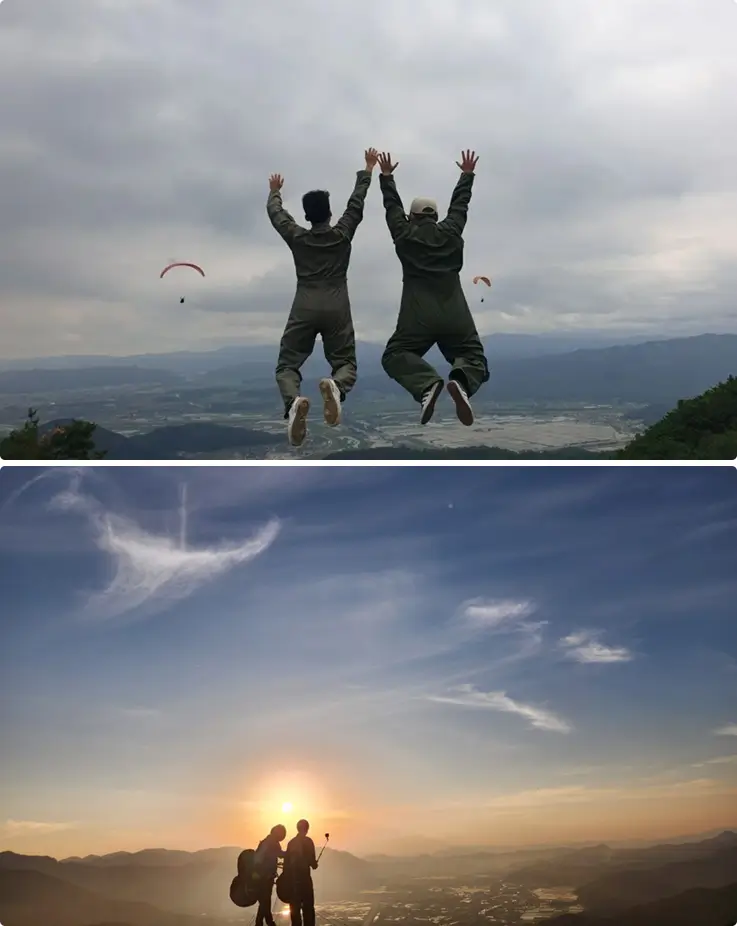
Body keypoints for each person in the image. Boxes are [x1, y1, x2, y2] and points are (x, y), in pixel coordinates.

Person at [267, 148, 379, 447]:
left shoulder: (298, 236)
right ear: (330, 212)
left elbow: (277, 216)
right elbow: (357, 204)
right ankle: (336, 387)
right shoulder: (342, 234)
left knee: (287, 365)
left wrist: (275, 193)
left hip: (304, 302)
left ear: (306, 215)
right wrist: (367, 169)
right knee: (345, 362)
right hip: (337, 303)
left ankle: (293, 402)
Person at [376, 149, 490, 427]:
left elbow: (392, 209)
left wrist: (387, 177)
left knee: (394, 355)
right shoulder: (451, 231)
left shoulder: (404, 234)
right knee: (473, 356)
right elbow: (460, 207)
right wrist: (467, 175)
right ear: (436, 216)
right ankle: (461, 382)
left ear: (411, 217)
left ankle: (427, 386)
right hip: (455, 312)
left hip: (417, 315)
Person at [284, 818, 318, 926]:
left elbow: (286, 865)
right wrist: (314, 863)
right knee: (308, 911)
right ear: (307, 829)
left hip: (293, 883)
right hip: (305, 881)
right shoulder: (308, 842)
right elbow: (313, 864)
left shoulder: (291, 843)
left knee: (295, 913)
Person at [253, 824, 287, 926]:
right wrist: (291, 853)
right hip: (266, 878)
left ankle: (261, 923)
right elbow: (280, 854)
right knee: (265, 902)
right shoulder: (272, 842)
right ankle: (270, 923)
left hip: (261, 878)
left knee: (264, 902)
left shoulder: (265, 841)